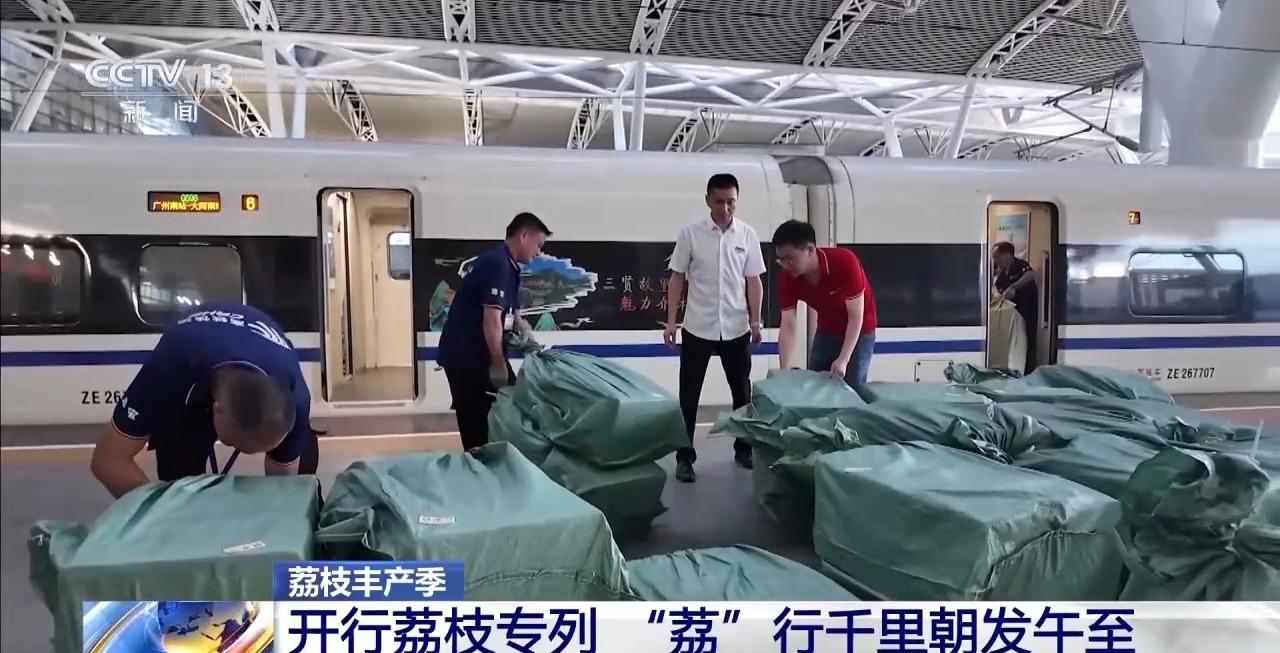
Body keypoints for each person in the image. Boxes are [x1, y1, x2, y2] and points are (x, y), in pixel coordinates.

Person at [90, 302, 317, 499]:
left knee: (300, 480)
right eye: (236, 444)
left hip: (251, 359)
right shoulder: (170, 367)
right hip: (191, 377)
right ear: (216, 410)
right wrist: (162, 517)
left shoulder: (296, 398)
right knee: (180, 482)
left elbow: (282, 488)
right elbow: (107, 461)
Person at [664, 173, 766, 483]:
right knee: (689, 397)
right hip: (698, 326)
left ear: (737, 201)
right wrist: (671, 322)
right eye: (719, 201)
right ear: (708, 200)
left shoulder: (747, 235)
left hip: (736, 327)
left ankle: (743, 449)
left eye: (731, 202)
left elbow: (754, 281)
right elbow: (677, 278)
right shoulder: (690, 234)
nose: (725, 208)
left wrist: (756, 320)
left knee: (742, 393)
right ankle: (684, 458)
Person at [439, 212, 551, 450]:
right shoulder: (497, 264)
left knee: (508, 402)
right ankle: (480, 463)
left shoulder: (511, 267)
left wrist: (523, 329)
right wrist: (498, 364)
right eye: (538, 244)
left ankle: (496, 460)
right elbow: (491, 320)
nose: (538, 252)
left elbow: (511, 311)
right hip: (467, 359)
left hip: (480, 354)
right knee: (479, 424)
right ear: (524, 235)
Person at [772, 220, 877, 387]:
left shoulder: (844, 262)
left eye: (789, 259)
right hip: (827, 328)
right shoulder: (788, 277)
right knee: (815, 384)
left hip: (860, 329)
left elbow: (856, 316)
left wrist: (843, 359)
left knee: (851, 387)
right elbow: (788, 323)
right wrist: (783, 369)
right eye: (781, 260)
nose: (785, 266)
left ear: (810, 250)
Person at [992, 241, 1039, 374]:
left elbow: (1031, 275)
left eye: (997, 257)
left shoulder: (1020, 266)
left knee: (1027, 345)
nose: (996, 261)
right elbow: (998, 291)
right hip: (1011, 318)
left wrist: (1014, 287)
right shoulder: (1002, 275)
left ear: (1007, 255)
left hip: (1026, 313)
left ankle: (1029, 372)